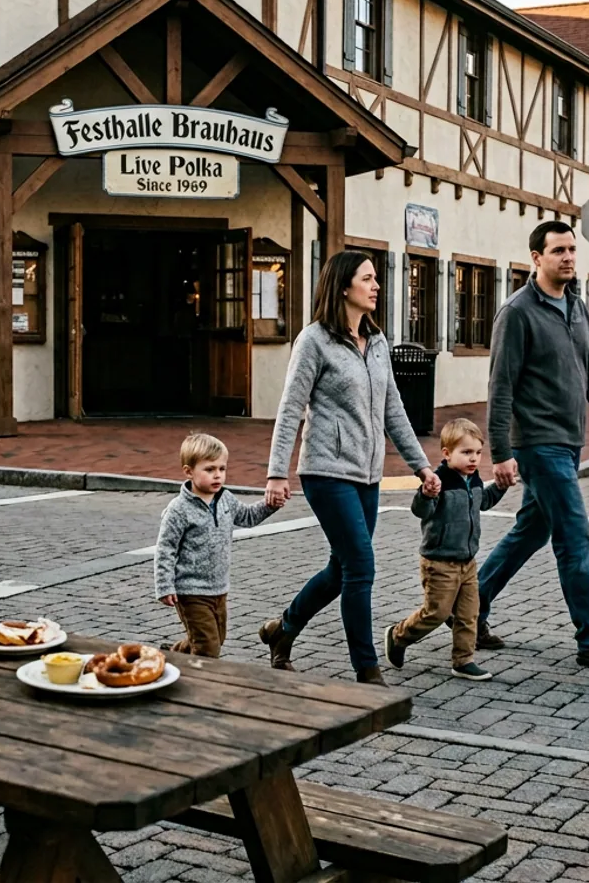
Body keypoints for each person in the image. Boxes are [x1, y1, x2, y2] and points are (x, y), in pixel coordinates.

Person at [260, 250, 439, 686]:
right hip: (325, 471)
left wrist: (422, 467)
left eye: (377, 278)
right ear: (343, 286)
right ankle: (366, 668)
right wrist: (276, 472)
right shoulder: (314, 340)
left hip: (368, 474)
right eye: (368, 279)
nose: (376, 286)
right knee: (361, 567)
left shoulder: (377, 342)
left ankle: (282, 629)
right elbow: (290, 410)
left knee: (341, 570)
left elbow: (394, 409)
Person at [476, 221, 589, 672]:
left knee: (530, 530)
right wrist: (500, 453)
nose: (568, 257)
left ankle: (469, 610)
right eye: (558, 251)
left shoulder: (576, 307)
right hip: (536, 443)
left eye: (572, 250)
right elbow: (500, 388)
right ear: (536, 257)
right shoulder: (517, 312)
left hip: (569, 442)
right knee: (574, 535)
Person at [383, 418, 508, 681]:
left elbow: (483, 502)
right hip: (439, 562)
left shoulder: (472, 481)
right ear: (447, 453)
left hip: (468, 562)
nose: (473, 459)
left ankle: (463, 661)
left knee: (469, 614)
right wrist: (426, 494)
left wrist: (500, 487)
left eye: (477, 453)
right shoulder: (438, 481)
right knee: (436, 613)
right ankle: (398, 635)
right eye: (466, 453)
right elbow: (420, 511)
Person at [153, 433, 278, 658]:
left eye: (222, 469)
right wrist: (165, 585)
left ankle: (175, 653)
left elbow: (248, 516)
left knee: (215, 639)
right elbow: (165, 549)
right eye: (209, 469)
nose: (217, 475)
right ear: (189, 471)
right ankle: (200, 683)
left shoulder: (226, 499)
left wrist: (270, 505)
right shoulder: (178, 510)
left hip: (219, 588)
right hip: (190, 591)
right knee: (208, 648)